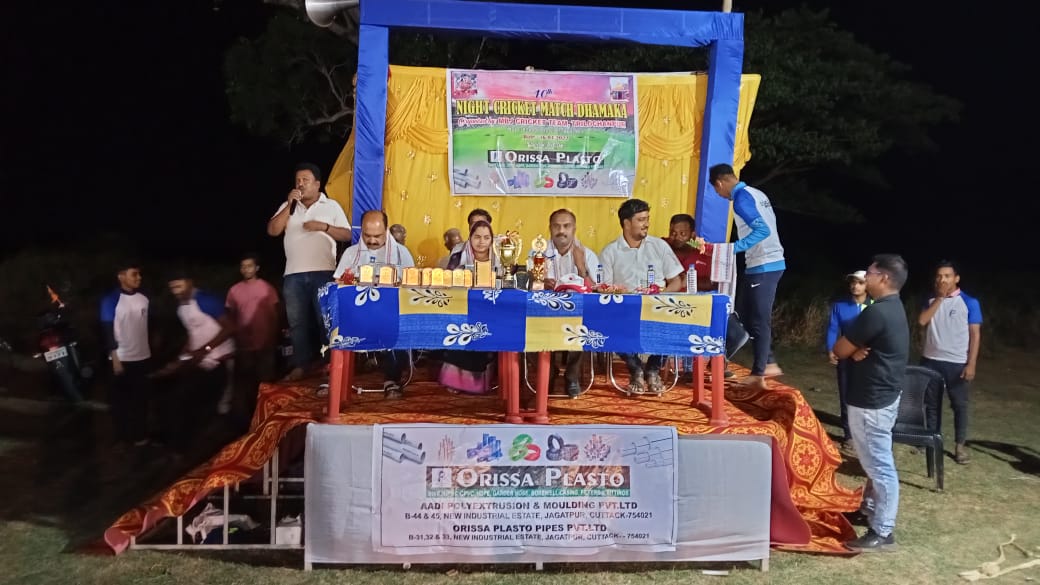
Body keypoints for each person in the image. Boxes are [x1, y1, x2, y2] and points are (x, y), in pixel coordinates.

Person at [832, 254, 910, 552]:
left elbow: (840, 348)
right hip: (882, 395)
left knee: (879, 465)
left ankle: (883, 530)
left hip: (872, 400)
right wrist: (856, 349)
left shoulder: (876, 313)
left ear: (884, 278)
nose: (866, 278)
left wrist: (851, 350)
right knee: (872, 460)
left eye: (871, 274)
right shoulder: (894, 307)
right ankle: (869, 509)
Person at [266, 162, 351, 381]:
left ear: (317, 184)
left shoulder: (330, 206)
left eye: (305, 180)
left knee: (325, 320)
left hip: (324, 272)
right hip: (293, 274)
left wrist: (323, 227)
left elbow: (347, 235)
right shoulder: (289, 206)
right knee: (297, 323)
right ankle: (301, 365)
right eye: (298, 181)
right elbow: (273, 230)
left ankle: (329, 363)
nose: (300, 184)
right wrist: (289, 205)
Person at [708, 163, 786, 390]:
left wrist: (734, 248)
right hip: (759, 264)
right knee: (742, 313)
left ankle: (760, 371)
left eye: (716, 190)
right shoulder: (756, 193)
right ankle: (768, 361)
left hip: (765, 263)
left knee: (758, 319)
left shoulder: (741, 199)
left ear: (720, 183)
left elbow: (763, 230)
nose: (720, 195)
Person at [599, 199, 684, 394]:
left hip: (657, 307)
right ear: (627, 223)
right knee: (608, 323)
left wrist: (663, 299)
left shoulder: (659, 246)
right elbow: (603, 287)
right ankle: (635, 368)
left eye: (647, 219)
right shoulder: (610, 251)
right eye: (641, 220)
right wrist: (618, 292)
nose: (646, 224)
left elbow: (676, 281)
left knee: (673, 321)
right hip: (625, 309)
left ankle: (653, 369)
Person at [334, 210, 414, 399]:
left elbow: (412, 285)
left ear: (386, 230)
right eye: (367, 235)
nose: (371, 240)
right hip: (359, 314)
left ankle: (391, 379)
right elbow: (338, 283)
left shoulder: (401, 254)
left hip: (391, 313)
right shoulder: (351, 253)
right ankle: (338, 379)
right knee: (335, 322)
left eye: (377, 236)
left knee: (400, 326)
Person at [156, 272, 236, 456]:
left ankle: (211, 447)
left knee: (214, 403)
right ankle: (185, 443)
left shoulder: (206, 301)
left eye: (179, 286)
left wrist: (205, 350)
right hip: (201, 360)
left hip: (220, 359)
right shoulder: (181, 308)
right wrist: (180, 359)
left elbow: (231, 327)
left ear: (190, 282)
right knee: (188, 399)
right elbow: (192, 336)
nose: (176, 291)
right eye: (172, 287)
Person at [917, 260, 982, 465]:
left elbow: (975, 335)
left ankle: (959, 446)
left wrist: (971, 363)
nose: (942, 279)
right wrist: (939, 298)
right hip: (930, 360)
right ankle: (931, 439)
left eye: (947, 276)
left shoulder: (969, 302)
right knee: (931, 404)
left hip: (956, 363)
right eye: (939, 276)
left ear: (956, 278)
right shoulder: (930, 299)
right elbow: (922, 321)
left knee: (959, 405)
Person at [537, 209, 600, 397]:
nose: (561, 231)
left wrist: (581, 267)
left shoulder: (587, 254)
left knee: (585, 325)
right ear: (550, 228)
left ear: (574, 229)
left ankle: (572, 375)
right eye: (556, 226)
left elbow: (596, 290)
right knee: (525, 327)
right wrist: (540, 282)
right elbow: (528, 286)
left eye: (566, 226)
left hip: (577, 314)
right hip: (545, 312)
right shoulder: (538, 253)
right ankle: (549, 372)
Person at [439, 221, 497, 394]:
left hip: (490, 308)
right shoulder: (458, 257)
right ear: (470, 238)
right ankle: (456, 381)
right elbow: (448, 282)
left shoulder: (499, 257)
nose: (482, 242)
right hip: (461, 305)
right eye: (477, 237)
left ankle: (480, 382)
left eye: (486, 237)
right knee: (460, 325)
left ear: (491, 239)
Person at [224, 253, 281, 430]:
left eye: (249, 266)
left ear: (256, 268)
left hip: (265, 343)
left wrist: (273, 337)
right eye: (243, 266)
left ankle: (267, 419)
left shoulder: (267, 288)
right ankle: (245, 422)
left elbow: (276, 314)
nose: (246, 269)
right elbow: (230, 316)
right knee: (245, 384)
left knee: (266, 383)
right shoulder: (234, 290)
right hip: (244, 346)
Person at [100, 261, 152, 449]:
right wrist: (115, 358)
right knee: (119, 401)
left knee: (140, 400)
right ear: (121, 276)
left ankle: (140, 436)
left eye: (139, 274)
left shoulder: (144, 298)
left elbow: (148, 325)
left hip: (142, 357)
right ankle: (122, 437)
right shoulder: (110, 300)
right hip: (120, 359)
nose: (139, 278)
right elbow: (107, 330)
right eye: (134, 274)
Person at [826, 270, 872, 450]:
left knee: (866, 395)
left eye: (860, 283)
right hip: (846, 355)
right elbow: (833, 328)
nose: (855, 286)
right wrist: (831, 349)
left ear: (867, 285)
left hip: (869, 357)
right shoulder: (840, 306)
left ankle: (866, 431)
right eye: (853, 282)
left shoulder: (874, 305)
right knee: (846, 394)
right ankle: (849, 434)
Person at [666, 213, 713, 292]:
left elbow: (712, 283)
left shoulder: (704, 254)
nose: (677, 237)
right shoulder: (662, 248)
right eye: (673, 233)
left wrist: (690, 281)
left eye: (682, 233)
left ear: (692, 235)